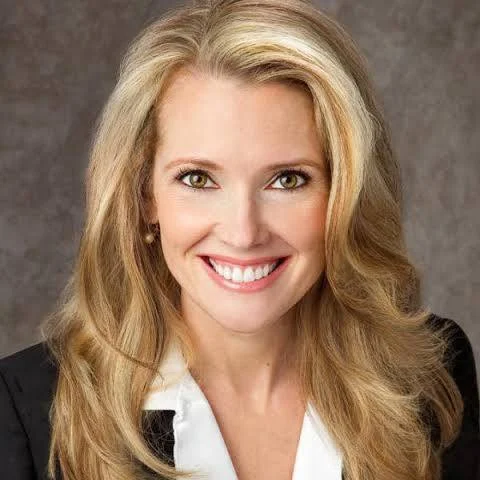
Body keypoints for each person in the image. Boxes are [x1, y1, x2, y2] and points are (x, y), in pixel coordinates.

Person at [0, 0, 478, 479]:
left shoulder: (430, 374)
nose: (244, 233)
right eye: (198, 179)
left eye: (287, 180)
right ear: (145, 195)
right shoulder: (24, 411)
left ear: (346, 192)